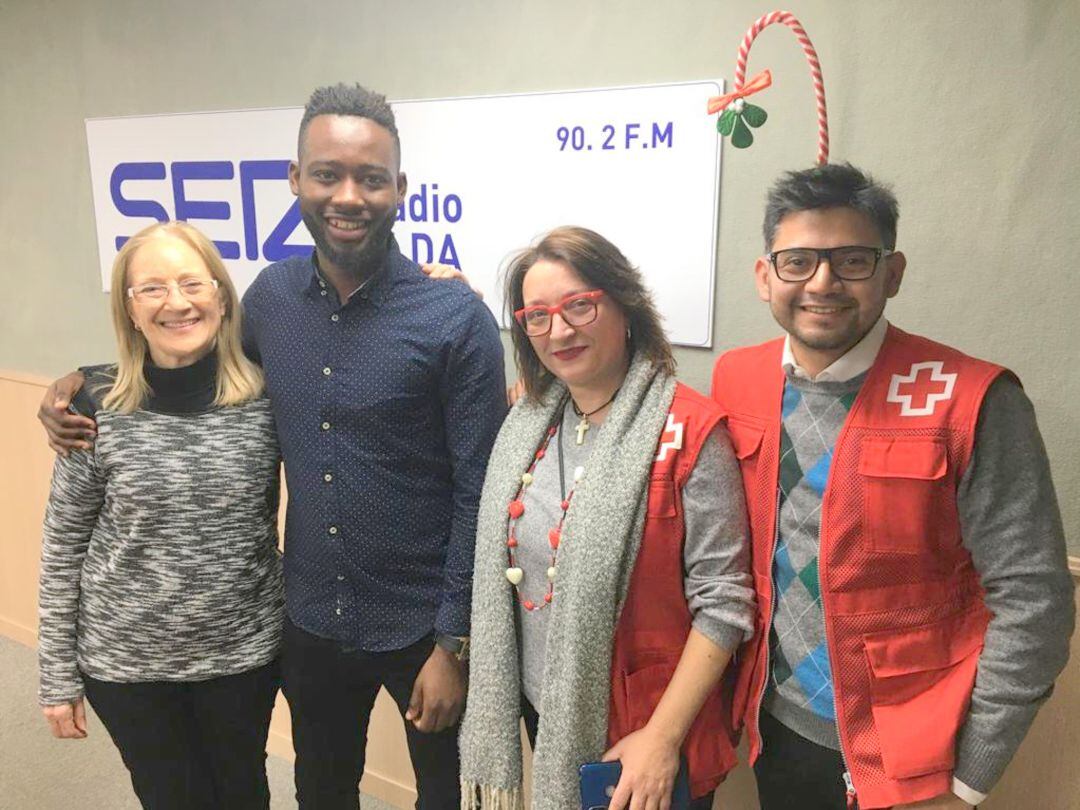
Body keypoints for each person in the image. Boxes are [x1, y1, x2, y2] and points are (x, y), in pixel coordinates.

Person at [38, 83, 507, 810]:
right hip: (310, 619)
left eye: (370, 178)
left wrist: (456, 642)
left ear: (400, 189)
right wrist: (80, 381)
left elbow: (483, 491)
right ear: (295, 180)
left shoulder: (452, 318)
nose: (347, 195)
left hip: (423, 622)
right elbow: (185, 357)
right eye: (326, 174)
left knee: (449, 796)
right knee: (321, 790)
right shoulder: (269, 300)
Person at [711, 163, 1074, 810]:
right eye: (797, 261)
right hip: (772, 724)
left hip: (913, 760)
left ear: (893, 273)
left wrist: (967, 783)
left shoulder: (971, 400)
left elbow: (1034, 604)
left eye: (852, 260)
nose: (822, 283)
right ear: (765, 276)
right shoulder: (737, 378)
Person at [459, 226, 755, 810]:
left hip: (645, 727)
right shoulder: (531, 420)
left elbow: (724, 604)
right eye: (537, 316)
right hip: (546, 707)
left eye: (579, 305)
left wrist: (662, 738)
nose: (559, 331)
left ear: (625, 305)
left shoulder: (691, 433)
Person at [37, 221, 283, 809]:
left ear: (221, 296)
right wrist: (55, 673)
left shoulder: (267, 399)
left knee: (245, 793)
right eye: (152, 288)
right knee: (172, 797)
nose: (177, 302)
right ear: (130, 309)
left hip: (243, 652)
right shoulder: (92, 408)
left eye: (192, 283)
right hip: (127, 664)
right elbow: (63, 546)